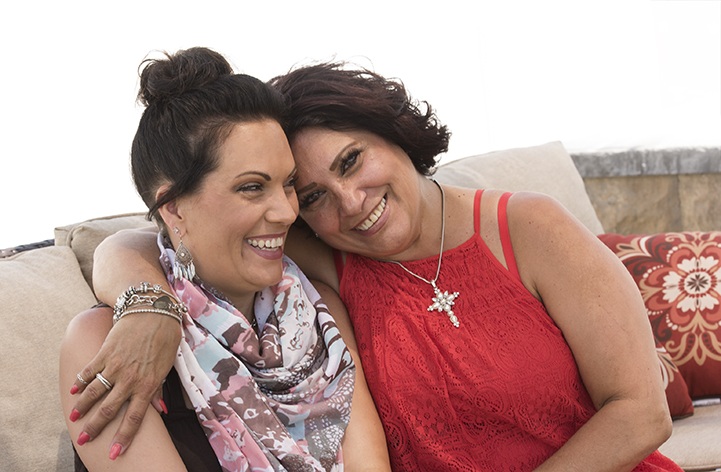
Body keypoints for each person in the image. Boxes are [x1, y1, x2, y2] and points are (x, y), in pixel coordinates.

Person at [68, 53, 682, 471]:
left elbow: (641, 411)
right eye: (309, 195)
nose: (350, 203)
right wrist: (149, 305)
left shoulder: (527, 227)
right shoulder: (331, 262)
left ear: (389, 131)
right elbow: (145, 244)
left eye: (351, 161)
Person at [59, 47, 390, 471]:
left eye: (288, 183)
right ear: (174, 208)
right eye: (252, 187)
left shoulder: (319, 314)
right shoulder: (103, 342)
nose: (287, 212)